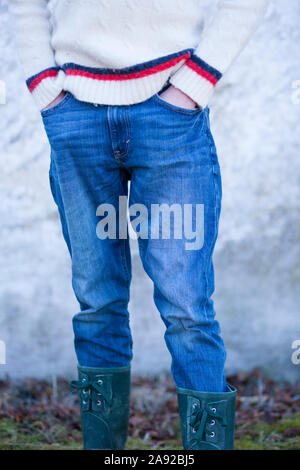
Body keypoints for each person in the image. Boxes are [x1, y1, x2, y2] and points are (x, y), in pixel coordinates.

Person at [11, 0, 269, 450]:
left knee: (186, 304)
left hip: (169, 119)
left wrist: (192, 86)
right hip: (77, 118)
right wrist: (47, 95)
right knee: (97, 301)